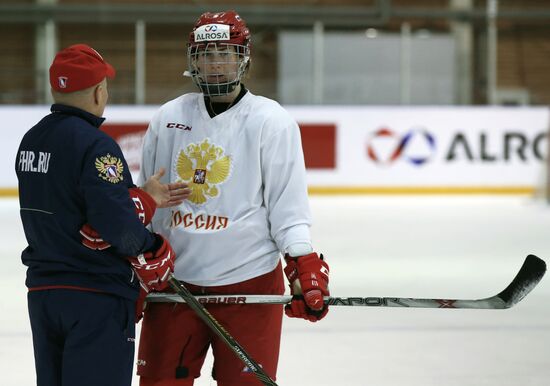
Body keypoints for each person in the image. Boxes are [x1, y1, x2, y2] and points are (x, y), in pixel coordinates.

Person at [136, 10, 331, 386]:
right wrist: (136, 264)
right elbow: (148, 201)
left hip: (249, 286)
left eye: (224, 53)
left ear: (243, 58)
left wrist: (301, 260)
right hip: (174, 285)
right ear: (193, 61)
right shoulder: (168, 117)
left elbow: (287, 209)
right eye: (206, 54)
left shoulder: (271, 121)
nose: (215, 63)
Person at [16, 44, 188, 386]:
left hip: (45, 295)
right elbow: (117, 227)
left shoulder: (31, 140)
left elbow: (73, 205)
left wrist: (144, 200)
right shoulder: (96, 145)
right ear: (98, 92)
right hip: (94, 297)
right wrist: (151, 247)